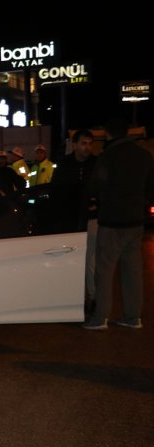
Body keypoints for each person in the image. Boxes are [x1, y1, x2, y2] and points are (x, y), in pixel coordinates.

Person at [83, 118, 154, 330]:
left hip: (112, 222)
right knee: (132, 271)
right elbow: (151, 189)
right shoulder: (145, 156)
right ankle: (133, 317)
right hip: (135, 222)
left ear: (107, 134)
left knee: (104, 271)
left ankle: (100, 318)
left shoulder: (108, 156)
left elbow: (94, 187)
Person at [52, 129, 97, 312]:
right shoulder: (64, 165)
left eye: (90, 143)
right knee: (71, 260)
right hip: (69, 220)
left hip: (91, 219)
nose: (87, 147)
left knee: (91, 261)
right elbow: (57, 191)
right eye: (84, 143)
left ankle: (93, 299)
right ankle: (72, 299)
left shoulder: (96, 164)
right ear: (75, 144)